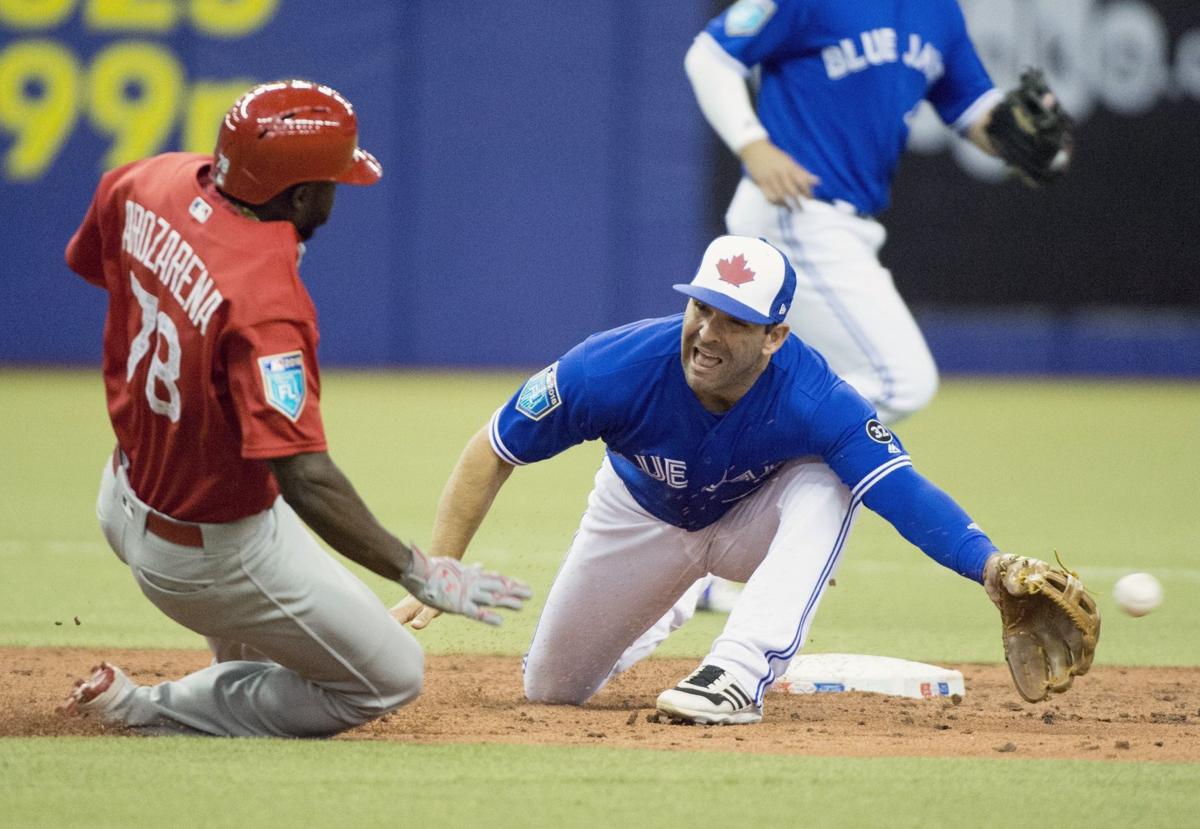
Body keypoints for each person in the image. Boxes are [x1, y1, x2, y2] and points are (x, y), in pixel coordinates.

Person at [391, 235, 1094, 724]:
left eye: (735, 321)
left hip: (753, 522)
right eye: (702, 308)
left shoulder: (815, 394)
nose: (707, 332)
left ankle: (739, 668)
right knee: (551, 690)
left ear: (775, 336)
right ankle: (675, 593)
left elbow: (897, 487)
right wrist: (440, 563)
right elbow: (493, 447)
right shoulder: (612, 367)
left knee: (829, 481)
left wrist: (990, 565)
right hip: (640, 514)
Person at [59, 79, 530, 738]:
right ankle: (149, 708)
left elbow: (95, 264)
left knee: (274, 617)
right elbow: (303, 476)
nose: (340, 191)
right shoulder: (266, 301)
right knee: (393, 674)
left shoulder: (144, 180)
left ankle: (225, 672)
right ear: (301, 194)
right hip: (208, 553)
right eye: (333, 182)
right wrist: (418, 571)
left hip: (123, 491)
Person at [684, 0, 1073, 610]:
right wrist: (752, 143)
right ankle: (735, 515)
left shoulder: (937, 13)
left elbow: (974, 110)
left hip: (842, 228)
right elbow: (709, 54)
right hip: (796, 213)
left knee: (798, 385)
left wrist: (1032, 141)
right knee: (898, 380)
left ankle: (717, 533)